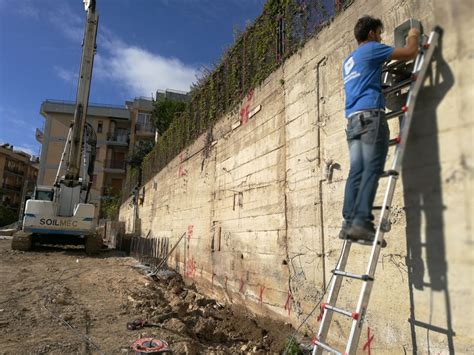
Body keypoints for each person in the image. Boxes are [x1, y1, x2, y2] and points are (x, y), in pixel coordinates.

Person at [340, 16, 420, 242]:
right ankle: (361, 224)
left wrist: (379, 86)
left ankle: (348, 222)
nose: (381, 37)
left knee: (356, 170)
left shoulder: (350, 60)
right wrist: (413, 35)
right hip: (370, 118)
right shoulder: (373, 49)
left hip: (353, 120)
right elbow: (410, 53)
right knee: (371, 168)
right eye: (379, 32)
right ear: (372, 33)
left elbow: (363, 82)